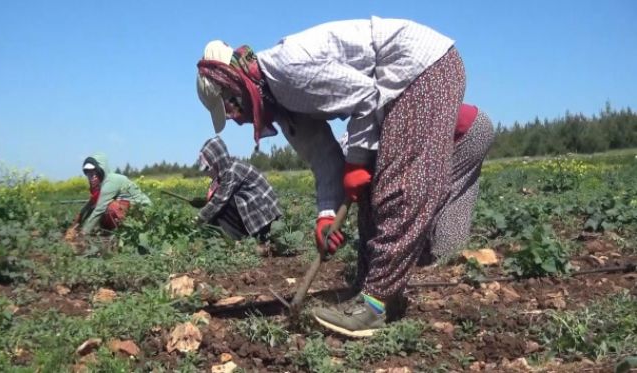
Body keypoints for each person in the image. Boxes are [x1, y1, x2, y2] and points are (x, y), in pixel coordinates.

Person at [195, 16, 493, 337]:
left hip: (420, 69)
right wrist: (325, 215)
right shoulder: (283, 106)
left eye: (231, 109)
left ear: (236, 87)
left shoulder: (289, 69)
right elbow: (323, 159)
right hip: (392, 90)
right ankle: (371, 291)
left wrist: (356, 163)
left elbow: (365, 98)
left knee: (399, 186)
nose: (236, 120)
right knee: (373, 189)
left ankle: (375, 305)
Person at [195, 136, 281, 242]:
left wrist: (197, 220)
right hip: (264, 214)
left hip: (266, 218)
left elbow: (218, 201)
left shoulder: (231, 172)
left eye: (207, 168)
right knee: (219, 207)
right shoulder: (228, 168)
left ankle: (239, 238)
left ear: (216, 162)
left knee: (223, 206)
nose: (206, 173)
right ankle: (234, 237)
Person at [66, 153, 152, 239]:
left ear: (101, 170)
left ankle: (124, 233)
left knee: (110, 207)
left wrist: (83, 233)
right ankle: (111, 232)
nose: (92, 177)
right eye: (89, 174)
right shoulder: (100, 185)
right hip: (130, 210)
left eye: (95, 173)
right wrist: (74, 225)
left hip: (143, 212)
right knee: (99, 206)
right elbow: (89, 206)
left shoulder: (111, 181)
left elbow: (99, 209)